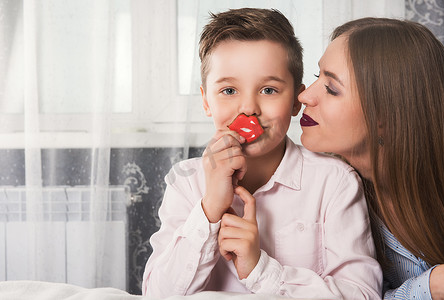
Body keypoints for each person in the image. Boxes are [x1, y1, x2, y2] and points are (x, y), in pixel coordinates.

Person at [142, 8, 382, 299]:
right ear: (206, 102)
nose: (248, 108)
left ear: (296, 101)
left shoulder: (335, 181)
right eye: (229, 91)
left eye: (268, 90)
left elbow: (362, 293)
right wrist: (210, 209)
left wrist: (259, 268)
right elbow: (157, 294)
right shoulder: (186, 182)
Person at [298, 17, 444, 299]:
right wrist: (433, 285)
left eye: (331, 88)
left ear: (385, 116)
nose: (304, 95)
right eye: (319, 78)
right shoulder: (325, 196)